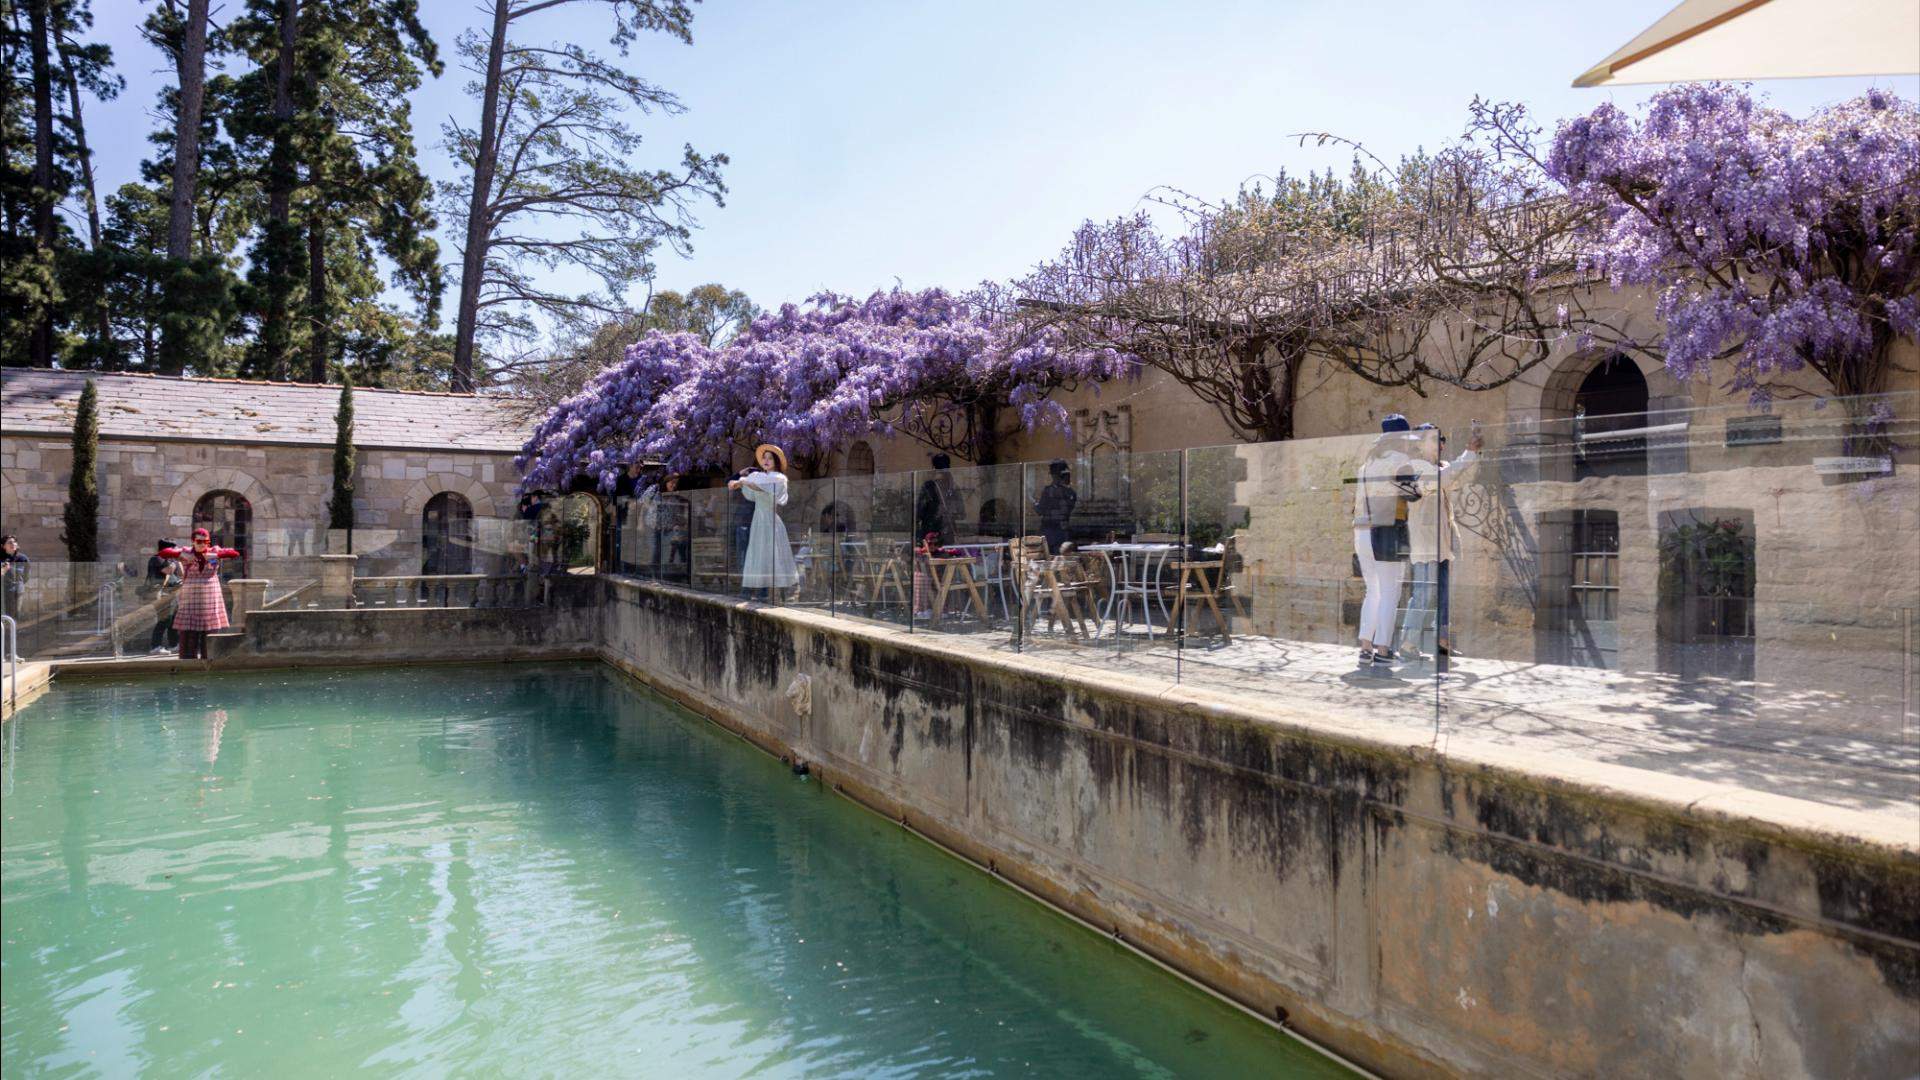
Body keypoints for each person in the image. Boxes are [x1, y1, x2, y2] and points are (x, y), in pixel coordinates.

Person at [1396, 424, 1482, 664]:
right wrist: (1468, 453)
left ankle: (1442, 642)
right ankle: (1408, 643)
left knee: (1443, 595)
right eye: (1434, 439)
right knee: (1423, 594)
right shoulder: (1415, 467)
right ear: (1420, 444)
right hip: (1425, 544)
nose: (1440, 444)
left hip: (1442, 543)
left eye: (1440, 439)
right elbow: (1444, 479)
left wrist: (1473, 453)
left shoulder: (1440, 468)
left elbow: (1457, 478)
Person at [1352, 415, 1418, 666]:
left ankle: (1365, 648)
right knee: (1391, 592)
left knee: (1373, 591)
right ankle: (1383, 650)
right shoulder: (1401, 461)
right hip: (1388, 530)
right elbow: (1411, 494)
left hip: (1362, 531)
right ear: (1400, 439)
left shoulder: (1367, 464)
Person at [160, 528, 242, 660]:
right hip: (191, 596)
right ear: (193, 541)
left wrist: (216, 556)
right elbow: (163, 552)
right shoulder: (186, 552)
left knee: (209, 633)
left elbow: (234, 553)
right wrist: (181, 555)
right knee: (189, 632)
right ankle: (187, 662)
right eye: (199, 541)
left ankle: (209, 661)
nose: (203, 544)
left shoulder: (214, 550)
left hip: (210, 595)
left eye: (206, 541)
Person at [730, 444, 799, 598]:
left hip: (770, 519)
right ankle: (753, 590)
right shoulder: (758, 476)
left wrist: (743, 481)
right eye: (764, 458)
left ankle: (765, 591)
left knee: (769, 553)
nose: (766, 461)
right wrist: (737, 483)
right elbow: (749, 491)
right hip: (758, 519)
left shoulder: (778, 478)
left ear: (776, 461)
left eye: (770, 458)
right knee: (756, 552)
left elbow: (760, 488)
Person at [144, 539, 183, 655]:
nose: (175, 551)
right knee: (164, 620)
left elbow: (181, 573)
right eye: (173, 549)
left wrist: (177, 560)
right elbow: (168, 571)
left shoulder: (171, 560)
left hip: (172, 593)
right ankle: (155, 646)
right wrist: (174, 561)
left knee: (173, 620)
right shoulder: (156, 558)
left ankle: (174, 645)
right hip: (161, 594)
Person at [916, 453, 963, 549]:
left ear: (933, 468)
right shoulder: (954, 487)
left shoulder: (928, 486)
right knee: (946, 555)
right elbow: (961, 513)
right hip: (947, 534)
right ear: (949, 467)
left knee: (930, 557)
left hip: (930, 536)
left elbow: (919, 513)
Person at [1034, 460, 1077, 554]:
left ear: (1054, 475)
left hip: (1049, 532)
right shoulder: (1071, 492)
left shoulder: (1048, 491)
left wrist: (1035, 504)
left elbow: (1040, 510)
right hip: (1064, 532)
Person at [0, 534, 27, 623]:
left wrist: (19, 584)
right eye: (10, 542)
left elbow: (26, 576)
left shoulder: (23, 558)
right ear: (3, 546)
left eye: (14, 542)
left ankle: (14, 630)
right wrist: (3, 570)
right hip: (3, 592)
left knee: (15, 615)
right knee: (5, 615)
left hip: (17, 591)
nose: (13, 544)